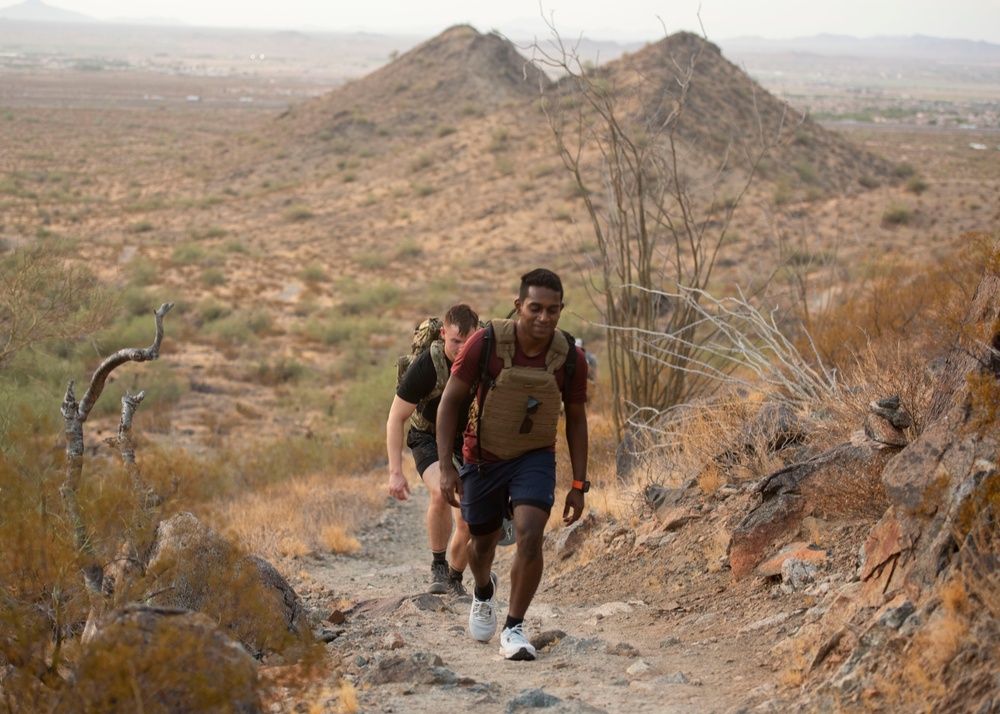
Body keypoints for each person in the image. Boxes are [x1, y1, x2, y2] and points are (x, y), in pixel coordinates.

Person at [436, 268, 589, 661]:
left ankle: (514, 627)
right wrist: (446, 467)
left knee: (530, 531)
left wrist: (578, 483)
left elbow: (576, 417)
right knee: (481, 543)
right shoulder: (485, 343)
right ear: (520, 305)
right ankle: (483, 591)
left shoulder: (569, 357)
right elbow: (450, 401)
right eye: (534, 308)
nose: (543, 318)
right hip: (482, 459)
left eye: (552, 311)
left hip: (534, 457)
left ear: (560, 310)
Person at [386, 303, 480, 596]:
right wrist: (395, 473)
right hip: (426, 437)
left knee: (469, 516)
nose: (462, 348)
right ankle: (438, 566)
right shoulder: (428, 365)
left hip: (466, 442)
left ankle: (455, 576)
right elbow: (395, 418)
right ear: (443, 335)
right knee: (442, 490)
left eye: (469, 341)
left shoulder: (486, 360)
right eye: (455, 341)